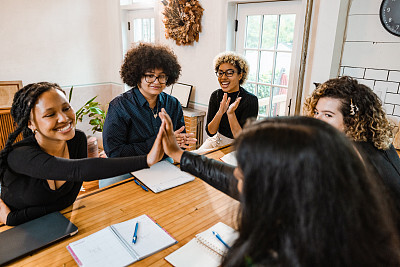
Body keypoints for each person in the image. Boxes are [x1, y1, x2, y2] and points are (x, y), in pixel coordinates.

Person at [158, 109, 400, 266]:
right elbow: (229, 177)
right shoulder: (338, 216)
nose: (237, 174)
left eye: (245, 170)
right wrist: (180, 155)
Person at [0, 82, 165, 226]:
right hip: (9, 227)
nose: (64, 118)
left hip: (54, 220)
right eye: (50, 114)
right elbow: (79, 170)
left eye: (66, 108)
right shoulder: (20, 155)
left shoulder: (76, 140)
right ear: (31, 123)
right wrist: (147, 160)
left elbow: (68, 199)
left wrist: (16, 218)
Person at [101, 42, 196, 188]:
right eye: (150, 76)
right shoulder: (119, 106)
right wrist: (159, 142)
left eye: (162, 76)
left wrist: (180, 142)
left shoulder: (172, 104)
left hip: (162, 164)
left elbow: (178, 141)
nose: (156, 82)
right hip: (126, 169)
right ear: (137, 76)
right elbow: (115, 153)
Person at [304, 76, 400, 215]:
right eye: (316, 112)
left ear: (351, 120)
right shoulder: (378, 140)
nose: (316, 119)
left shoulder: (350, 153)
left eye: (328, 115)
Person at [199, 51, 258, 150]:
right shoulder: (216, 95)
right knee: (192, 160)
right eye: (220, 73)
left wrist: (231, 114)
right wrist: (220, 112)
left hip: (236, 147)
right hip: (215, 140)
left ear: (240, 75)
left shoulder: (250, 100)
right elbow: (210, 132)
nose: (223, 77)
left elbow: (242, 139)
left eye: (229, 73)